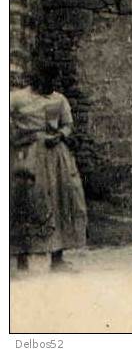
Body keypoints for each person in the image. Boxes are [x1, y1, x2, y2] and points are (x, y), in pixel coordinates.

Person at [10, 65, 88, 272]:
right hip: (28, 155)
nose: (49, 86)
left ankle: (57, 258)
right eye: (45, 81)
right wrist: (15, 135)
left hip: (56, 157)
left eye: (52, 82)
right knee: (27, 199)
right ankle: (20, 257)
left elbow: (67, 125)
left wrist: (60, 135)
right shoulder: (17, 98)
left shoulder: (59, 100)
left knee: (63, 199)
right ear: (36, 79)